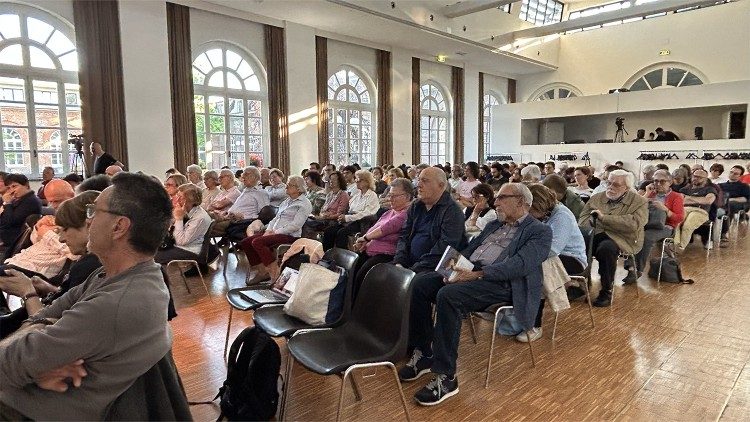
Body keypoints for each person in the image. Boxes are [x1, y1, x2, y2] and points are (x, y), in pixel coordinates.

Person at [0, 172, 172, 420]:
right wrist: (39, 363)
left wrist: (34, 361)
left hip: (29, 410)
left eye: (94, 211)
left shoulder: (116, 302)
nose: (88, 220)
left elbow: (8, 363)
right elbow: (44, 316)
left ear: (119, 227)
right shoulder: (108, 276)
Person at [398, 183, 552, 406]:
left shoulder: (539, 231)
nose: (495, 202)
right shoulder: (493, 225)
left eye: (501, 197)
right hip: (471, 273)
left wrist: (477, 274)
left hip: (503, 284)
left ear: (521, 202)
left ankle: (446, 377)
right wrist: (453, 268)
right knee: (419, 283)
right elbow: (470, 250)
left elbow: (519, 265)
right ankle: (424, 352)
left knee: (449, 295)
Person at [0, 191, 102, 339]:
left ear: (89, 226)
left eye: (65, 229)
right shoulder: (90, 263)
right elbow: (69, 303)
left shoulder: (91, 266)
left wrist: (28, 292)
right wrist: (50, 289)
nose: (60, 238)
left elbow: (51, 333)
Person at [579, 169, 648, 307]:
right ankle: (578, 284)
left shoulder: (639, 202)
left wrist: (604, 219)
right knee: (579, 243)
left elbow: (633, 224)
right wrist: (614, 223)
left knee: (606, 249)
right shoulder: (597, 198)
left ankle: (606, 290)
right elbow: (583, 221)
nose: (610, 187)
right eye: (608, 183)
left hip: (622, 239)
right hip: (596, 235)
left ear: (627, 188)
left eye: (616, 185)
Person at [526, 183, 587, 339]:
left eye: (530, 209)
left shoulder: (562, 216)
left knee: (537, 270)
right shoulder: (543, 214)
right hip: (550, 255)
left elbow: (553, 249)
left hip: (572, 257)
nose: (527, 213)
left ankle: (535, 324)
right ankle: (517, 313)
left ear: (539, 206)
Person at [240, 176, 312, 284]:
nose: (286, 186)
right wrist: (269, 230)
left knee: (257, 242)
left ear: (298, 188)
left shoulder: (304, 203)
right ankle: (263, 272)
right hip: (274, 232)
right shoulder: (286, 201)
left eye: (290, 184)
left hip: (290, 235)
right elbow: (275, 218)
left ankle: (275, 274)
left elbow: (296, 225)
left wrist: (276, 232)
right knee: (246, 242)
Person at [393, 167, 466, 273]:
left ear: (441, 186)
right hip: (407, 263)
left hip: (433, 268)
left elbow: (444, 250)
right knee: (380, 275)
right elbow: (404, 235)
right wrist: (399, 262)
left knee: (417, 283)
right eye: (419, 180)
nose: (419, 184)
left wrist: (412, 271)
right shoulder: (416, 206)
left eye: (425, 181)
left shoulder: (452, 211)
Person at [350, 178, 412, 298]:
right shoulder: (388, 212)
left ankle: (359, 310)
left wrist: (366, 238)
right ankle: (348, 308)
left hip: (387, 254)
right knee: (351, 270)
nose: (390, 199)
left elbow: (387, 228)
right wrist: (363, 241)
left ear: (407, 196)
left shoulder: (407, 213)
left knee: (363, 275)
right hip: (371, 250)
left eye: (394, 196)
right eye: (390, 195)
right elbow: (374, 228)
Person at [2, 180, 76, 279]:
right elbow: (35, 241)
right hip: (18, 261)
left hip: (34, 272)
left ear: (72, 196)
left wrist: (47, 233)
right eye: (50, 201)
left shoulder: (79, 219)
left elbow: (75, 253)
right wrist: (38, 227)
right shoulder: (56, 216)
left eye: (57, 201)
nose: (53, 206)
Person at [626, 170, 684, 283]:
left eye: (662, 181)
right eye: (655, 181)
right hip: (647, 224)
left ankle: (637, 270)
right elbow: (634, 207)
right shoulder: (651, 193)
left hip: (667, 227)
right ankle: (630, 266)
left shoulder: (676, 196)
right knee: (633, 233)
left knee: (646, 237)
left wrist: (665, 209)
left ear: (670, 182)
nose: (658, 184)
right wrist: (647, 194)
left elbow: (679, 218)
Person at [321, 170, 379, 250]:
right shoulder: (357, 195)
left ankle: (341, 258)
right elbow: (349, 209)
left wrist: (347, 217)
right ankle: (327, 255)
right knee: (329, 231)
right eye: (356, 180)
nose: (356, 182)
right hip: (350, 220)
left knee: (341, 233)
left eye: (359, 180)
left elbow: (367, 213)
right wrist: (343, 217)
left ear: (367, 182)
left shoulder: (372, 195)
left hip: (362, 222)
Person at [155, 183, 211, 264]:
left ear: (191, 200)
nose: (177, 200)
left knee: (152, 256)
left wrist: (179, 219)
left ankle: (161, 276)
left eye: (181, 197)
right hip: (178, 245)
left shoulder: (200, 217)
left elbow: (181, 241)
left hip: (189, 250)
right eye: (178, 196)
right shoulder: (186, 210)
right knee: (149, 249)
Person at [211, 166, 269, 240]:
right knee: (207, 222)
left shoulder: (260, 193)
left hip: (242, 222)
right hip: (230, 218)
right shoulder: (246, 190)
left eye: (246, 174)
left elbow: (263, 214)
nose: (243, 176)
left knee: (208, 226)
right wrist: (228, 213)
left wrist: (244, 217)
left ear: (255, 177)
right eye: (243, 174)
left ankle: (210, 250)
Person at [673, 169, 716, 250]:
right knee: (676, 222)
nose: (696, 178)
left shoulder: (710, 189)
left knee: (687, 225)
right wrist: (699, 200)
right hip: (684, 209)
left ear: (705, 179)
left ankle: (680, 248)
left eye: (700, 177)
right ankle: (675, 246)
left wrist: (689, 198)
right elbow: (680, 202)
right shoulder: (684, 189)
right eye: (695, 176)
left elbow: (708, 201)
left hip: (700, 211)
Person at [302, 170, 349, 238]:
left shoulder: (343, 195)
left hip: (333, 221)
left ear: (339, 181)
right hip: (324, 218)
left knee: (307, 224)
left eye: (334, 179)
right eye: (330, 180)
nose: (331, 181)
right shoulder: (330, 195)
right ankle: (307, 244)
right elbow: (322, 209)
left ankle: (309, 244)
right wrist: (322, 215)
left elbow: (340, 214)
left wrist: (327, 216)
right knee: (304, 221)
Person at [0, 174, 42, 247]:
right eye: (9, 188)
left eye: (14, 186)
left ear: (26, 185)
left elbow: (10, 222)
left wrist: (7, 203)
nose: (11, 191)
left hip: (13, 241)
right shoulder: (19, 200)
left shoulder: (30, 201)